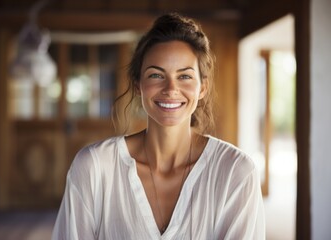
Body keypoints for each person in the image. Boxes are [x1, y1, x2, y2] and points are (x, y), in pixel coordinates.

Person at [52, 12, 265, 240]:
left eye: (184, 76)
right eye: (156, 75)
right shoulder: (94, 167)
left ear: (202, 88)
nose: (170, 88)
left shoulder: (235, 171)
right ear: (138, 86)